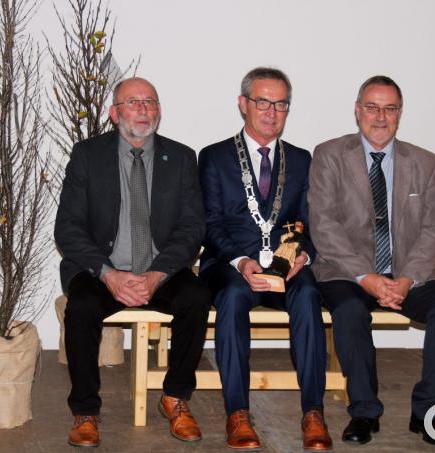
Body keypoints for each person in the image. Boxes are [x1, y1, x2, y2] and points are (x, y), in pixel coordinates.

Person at [309, 75, 435, 446]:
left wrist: (407, 279)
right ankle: (364, 413)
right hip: (346, 272)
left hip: (405, 273)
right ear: (357, 111)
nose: (380, 117)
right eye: (372, 107)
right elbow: (323, 224)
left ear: (399, 113)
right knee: (350, 311)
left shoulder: (425, 162)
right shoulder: (329, 155)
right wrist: (366, 276)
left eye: (390, 108)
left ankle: (428, 413)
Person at [55, 77, 210, 448]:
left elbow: (192, 228)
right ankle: (85, 411)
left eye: (150, 102)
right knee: (81, 306)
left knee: (197, 296)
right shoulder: (88, 155)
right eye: (133, 102)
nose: (143, 109)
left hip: (161, 269)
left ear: (159, 110)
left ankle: (175, 397)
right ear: (114, 113)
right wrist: (109, 275)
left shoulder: (182, 157)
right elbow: (68, 227)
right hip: (104, 269)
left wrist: (157, 274)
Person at [198, 67, 332, 452]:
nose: (272, 112)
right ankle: (238, 412)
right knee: (232, 297)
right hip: (230, 265)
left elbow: (308, 221)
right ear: (243, 104)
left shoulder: (302, 160)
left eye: (281, 104)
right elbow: (210, 223)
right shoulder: (214, 157)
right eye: (262, 102)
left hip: (284, 268)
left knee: (308, 295)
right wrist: (241, 261)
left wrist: (302, 254)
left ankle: (313, 412)